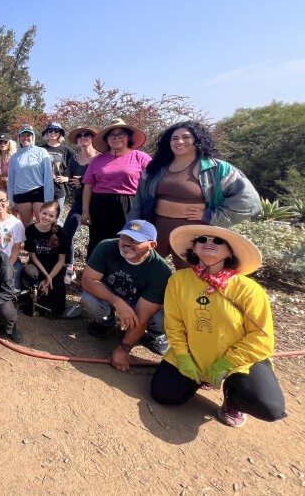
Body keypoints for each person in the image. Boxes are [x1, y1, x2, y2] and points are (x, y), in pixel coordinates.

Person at [151, 225, 286, 428]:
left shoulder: (249, 290)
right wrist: (183, 357)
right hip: (193, 356)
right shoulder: (178, 281)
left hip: (237, 362)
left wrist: (225, 363)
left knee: (269, 408)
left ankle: (232, 397)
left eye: (218, 240)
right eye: (202, 239)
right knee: (163, 394)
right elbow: (174, 323)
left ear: (230, 251)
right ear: (194, 248)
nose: (209, 242)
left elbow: (261, 337)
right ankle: (199, 377)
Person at [127, 120, 261, 269]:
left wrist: (211, 216)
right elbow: (139, 200)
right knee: (142, 267)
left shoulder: (217, 168)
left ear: (197, 140)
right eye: (174, 138)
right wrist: (132, 227)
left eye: (186, 137)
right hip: (156, 228)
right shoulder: (155, 167)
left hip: (193, 233)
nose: (179, 141)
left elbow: (250, 201)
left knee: (191, 275)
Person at [80, 220, 172, 371]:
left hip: (140, 304)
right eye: (124, 237)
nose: (126, 243)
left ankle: (155, 335)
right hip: (111, 295)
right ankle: (105, 322)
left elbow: (143, 316)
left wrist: (124, 348)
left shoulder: (161, 271)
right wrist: (117, 302)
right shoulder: (106, 246)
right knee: (89, 298)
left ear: (152, 245)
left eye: (135, 240)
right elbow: (87, 280)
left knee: (162, 316)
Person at [82, 119, 151, 258]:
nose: (116, 138)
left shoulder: (141, 157)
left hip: (130, 205)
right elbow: (88, 186)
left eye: (121, 134)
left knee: (128, 240)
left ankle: (124, 274)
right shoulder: (97, 160)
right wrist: (85, 212)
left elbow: (153, 184)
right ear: (106, 139)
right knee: (98, 241)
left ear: (128, 137)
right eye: (111, 135)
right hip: (100, 205)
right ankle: (96, 273)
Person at [21, 201, 82, 318]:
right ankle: (36, 290)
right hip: (38, 267)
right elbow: (32, 255)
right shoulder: (30, 230)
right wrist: (46, 276)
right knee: (28, 271)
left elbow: (61, 260)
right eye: (44, 213)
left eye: (51, 216)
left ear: (56, 218)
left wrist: (50, 277)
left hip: (55, 268)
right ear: (39, 212)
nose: (46, 217)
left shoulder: (60, 233)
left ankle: (45, 291)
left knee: (58, 309)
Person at [62, 126, 100, 284]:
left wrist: (84, 182)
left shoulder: (101, 158)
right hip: (79, 201)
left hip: (98, 201)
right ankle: (70, 266)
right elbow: (72, 183)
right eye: (80, 136)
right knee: (66, 233)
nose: (83, 137)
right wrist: (78, 184)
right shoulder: (74, 159)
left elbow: (105, 182)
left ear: (93, 138)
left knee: (96, 237)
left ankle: (93, 271)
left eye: (87, 135)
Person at [7, 124, 54, 227]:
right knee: (27, 226)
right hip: (21, 194)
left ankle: (45, 244)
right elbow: (11, 180)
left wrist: (49, 199)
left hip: (38, 192)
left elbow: (48, 177)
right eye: (22, 135)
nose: (25, 138)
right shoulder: (14, 157)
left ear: (33, 137)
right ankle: (30, 243)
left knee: (43, 224)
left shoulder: (41, 152)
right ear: (18, 137)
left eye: (28, 135)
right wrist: (10, 199)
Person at [0, 190, 25, 291]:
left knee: (14, 276)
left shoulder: (17, 224)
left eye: (2, 200)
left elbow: (16, 250)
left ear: (7, 202)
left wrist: (7, 266)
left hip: (11, 260)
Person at [41, 122, 76, 225]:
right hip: (42, 189)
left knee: (57, 219)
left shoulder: (66, 149)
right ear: (46, 133)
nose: (53, 133)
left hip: (58, 189)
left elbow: (79, 164)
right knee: (43, 217)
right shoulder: (40, 149)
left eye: (56, 130)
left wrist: (68, 178)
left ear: (60, 133)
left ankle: (57, 241)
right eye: (50, 130)